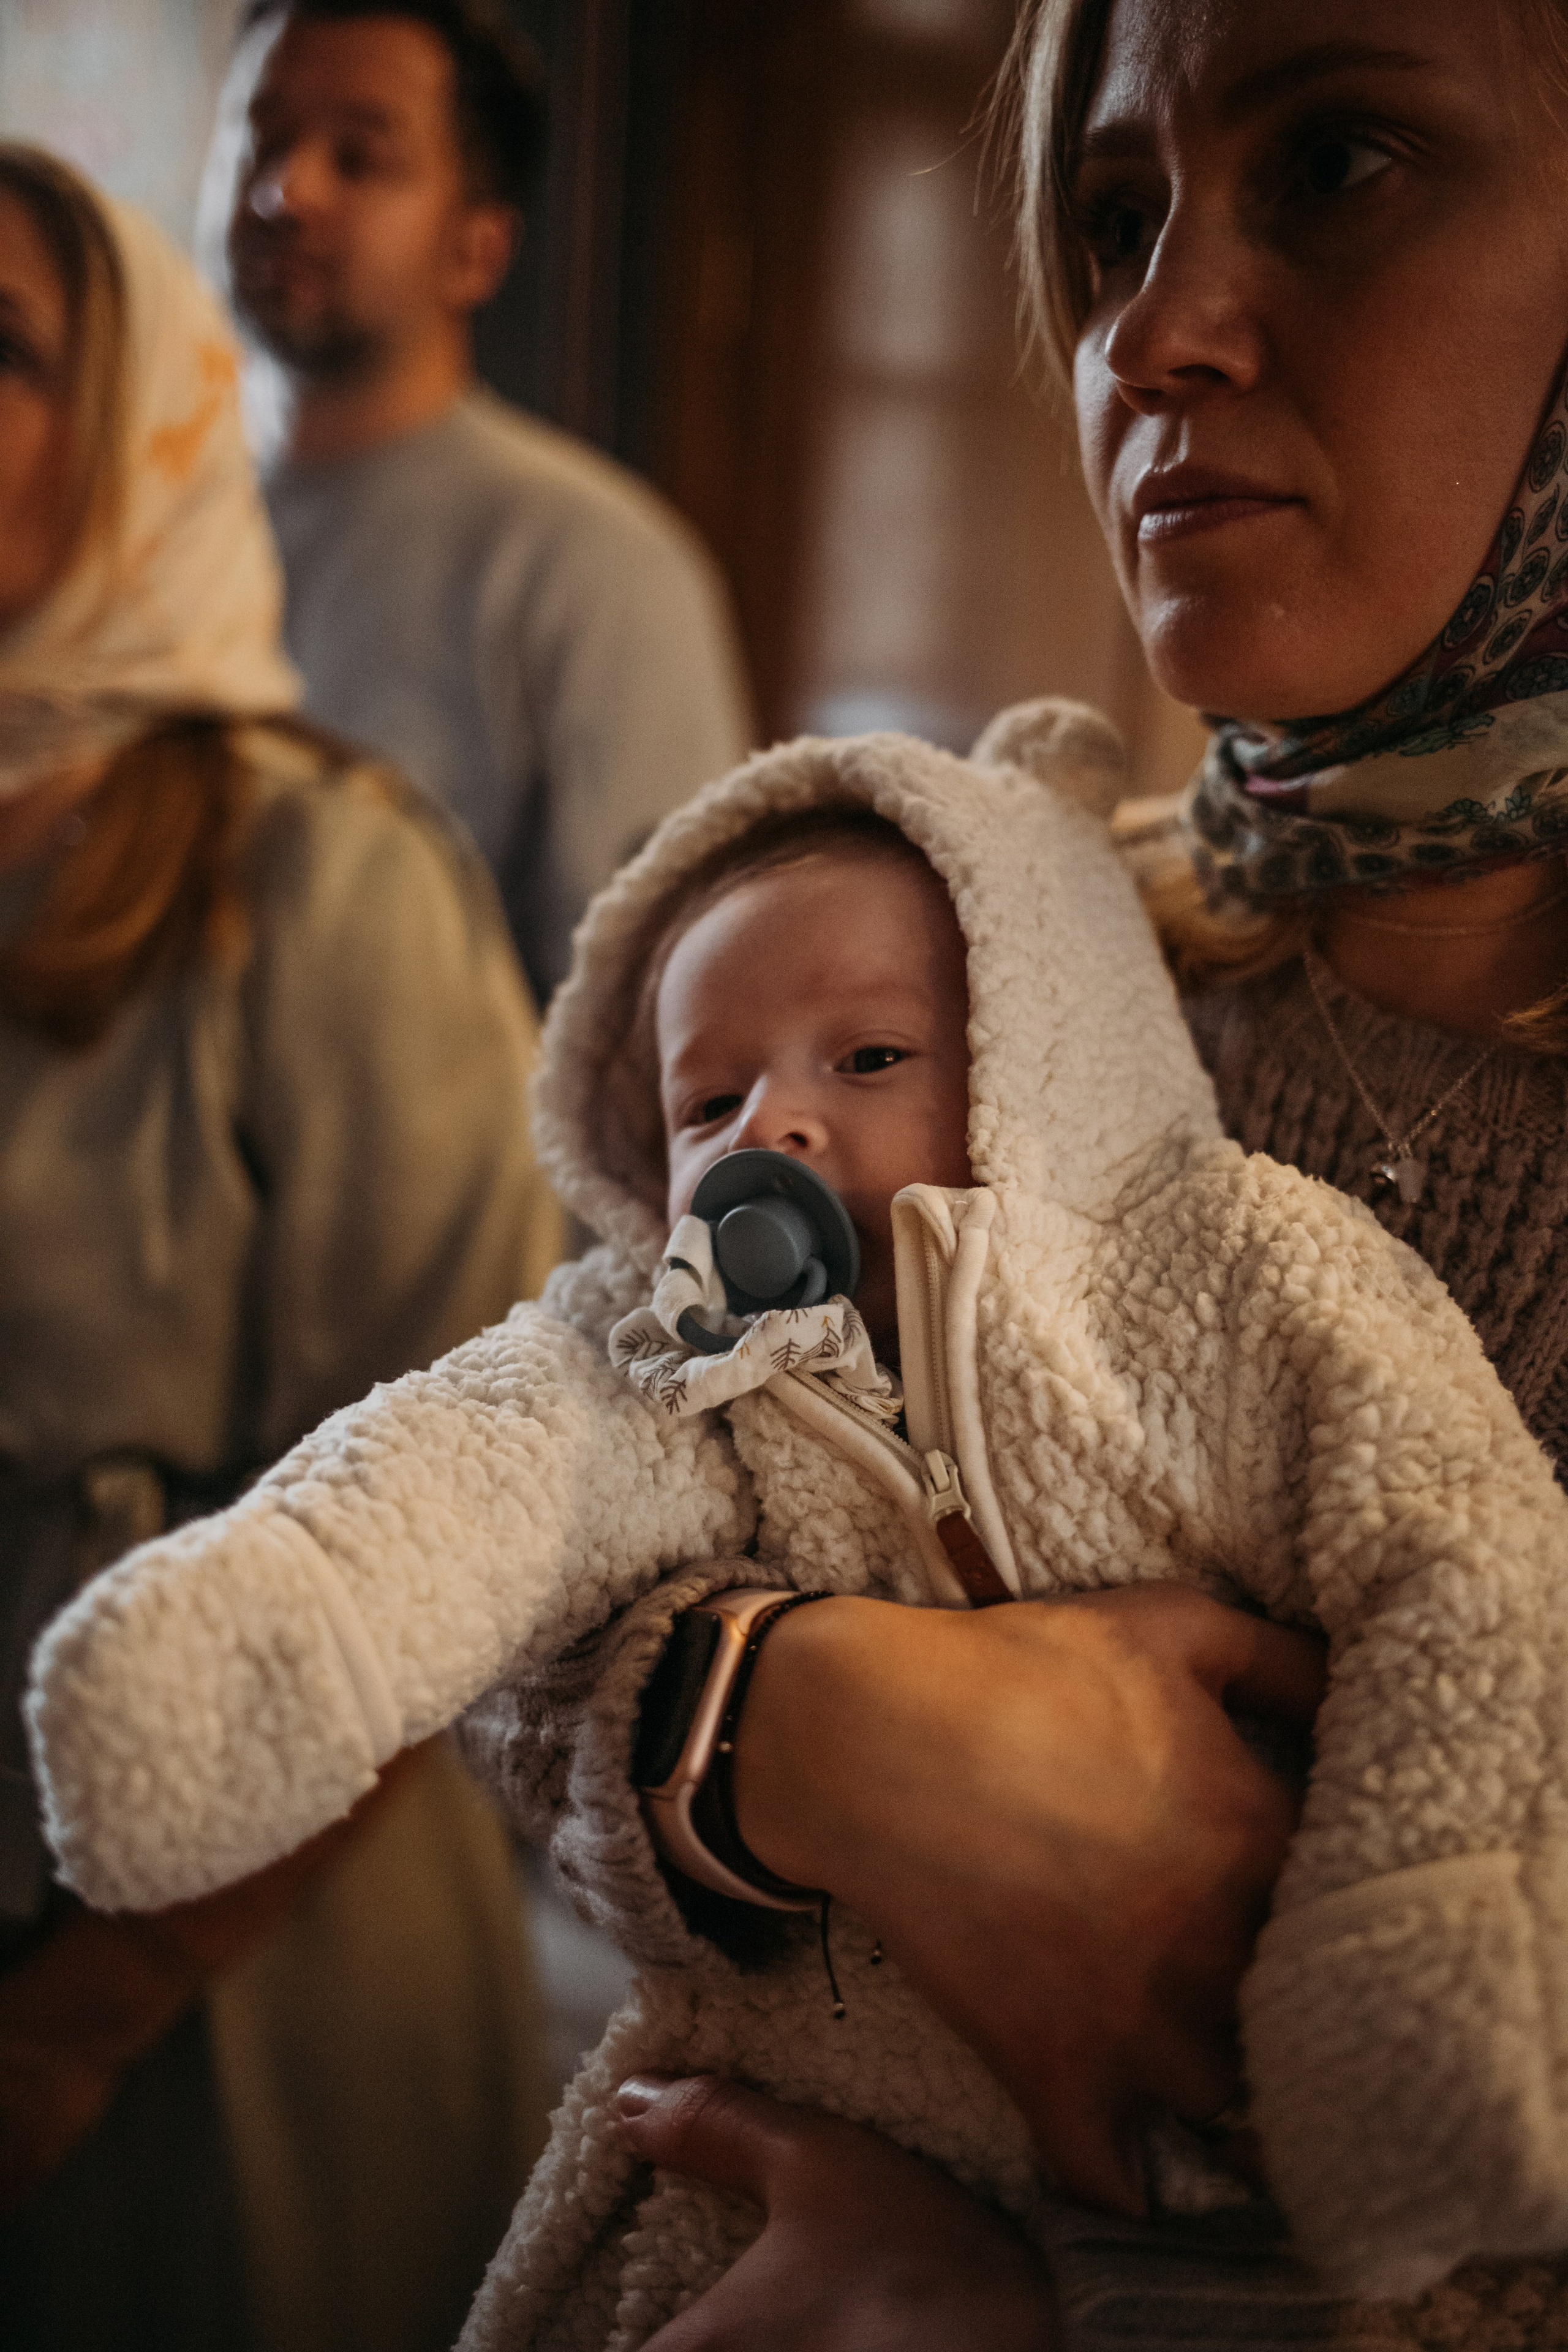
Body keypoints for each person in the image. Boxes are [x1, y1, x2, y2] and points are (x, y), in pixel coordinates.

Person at [26, 685, 1568, 2335]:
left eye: (873, 1058)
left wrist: (1421, 1958)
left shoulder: (1242, 1272)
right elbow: (479, 1499)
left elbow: (1466, 1567)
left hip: (1250, 2207)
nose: (773, 1125)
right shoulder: (677, 1352)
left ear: (1045, 1069)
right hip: (786, 2154)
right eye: (707, 1104)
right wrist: (328, 1624)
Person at [543, 0, 1568, 2344]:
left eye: (1341, 163)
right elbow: (563, 1486)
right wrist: (786, 1727)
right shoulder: (1014, 959)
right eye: (1113, 222)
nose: (1156, 328)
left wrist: (1034, 2319)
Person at [0, 146, 558, 2352]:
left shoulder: (322, 876)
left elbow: (450, 1510)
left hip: (226, 2001)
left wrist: (75, 2015)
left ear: (136, 434)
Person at [217, 0, 755, 1006]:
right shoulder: (142, 520)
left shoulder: (597, 565)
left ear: (478, 246)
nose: (284, 191)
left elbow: (650, 1018)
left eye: (360, 157)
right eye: (260, 137)